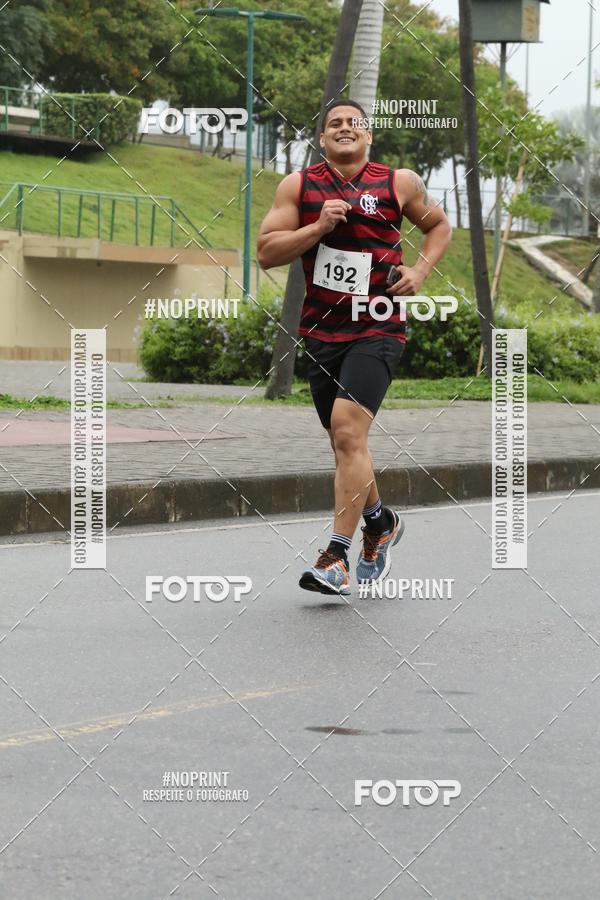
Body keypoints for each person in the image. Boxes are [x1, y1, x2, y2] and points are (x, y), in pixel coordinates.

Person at [257, 99, 452, 595]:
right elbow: (266, 253)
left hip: (379, 325)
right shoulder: (298, 186)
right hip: (322, 331)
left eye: (354, 123)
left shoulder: (398, 183)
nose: (344, 129)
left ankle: (336, 556)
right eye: (334, 125)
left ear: (369, 136)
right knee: (347, 444)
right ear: (322, 140)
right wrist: (318, 227)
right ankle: (380, 522)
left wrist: (420, 271)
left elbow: (438, 226)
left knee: (347, 430)